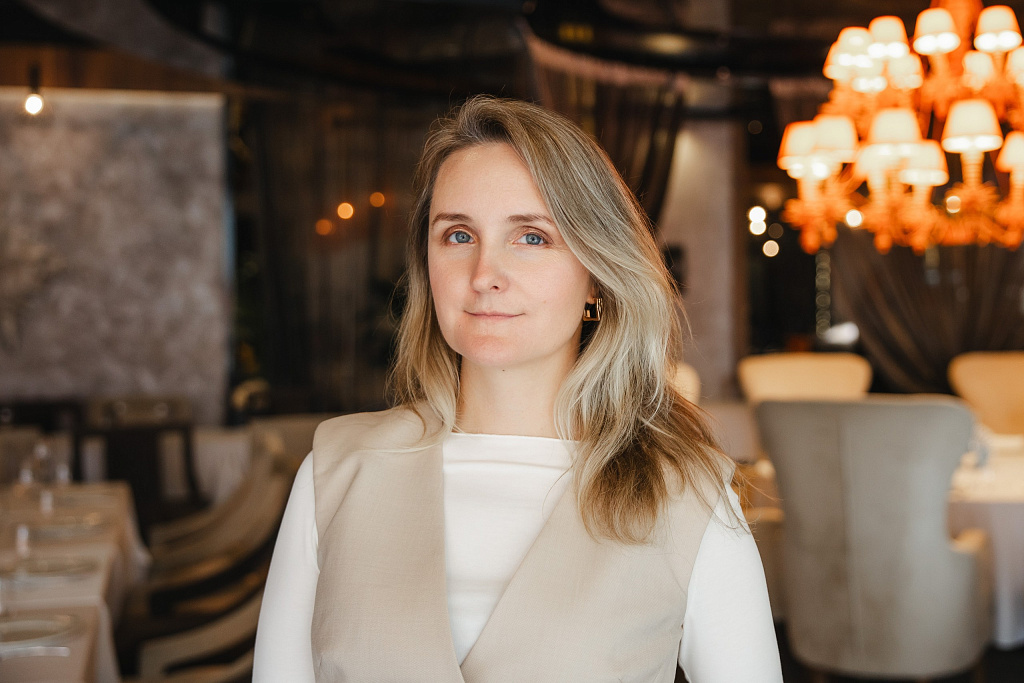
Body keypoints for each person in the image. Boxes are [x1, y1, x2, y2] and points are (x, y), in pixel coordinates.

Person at [253, 95, 782, 682]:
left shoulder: (689, 498)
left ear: (597, 279)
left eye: (531, 237)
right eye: (458, 235)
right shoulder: (335, 472)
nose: (485, 275)